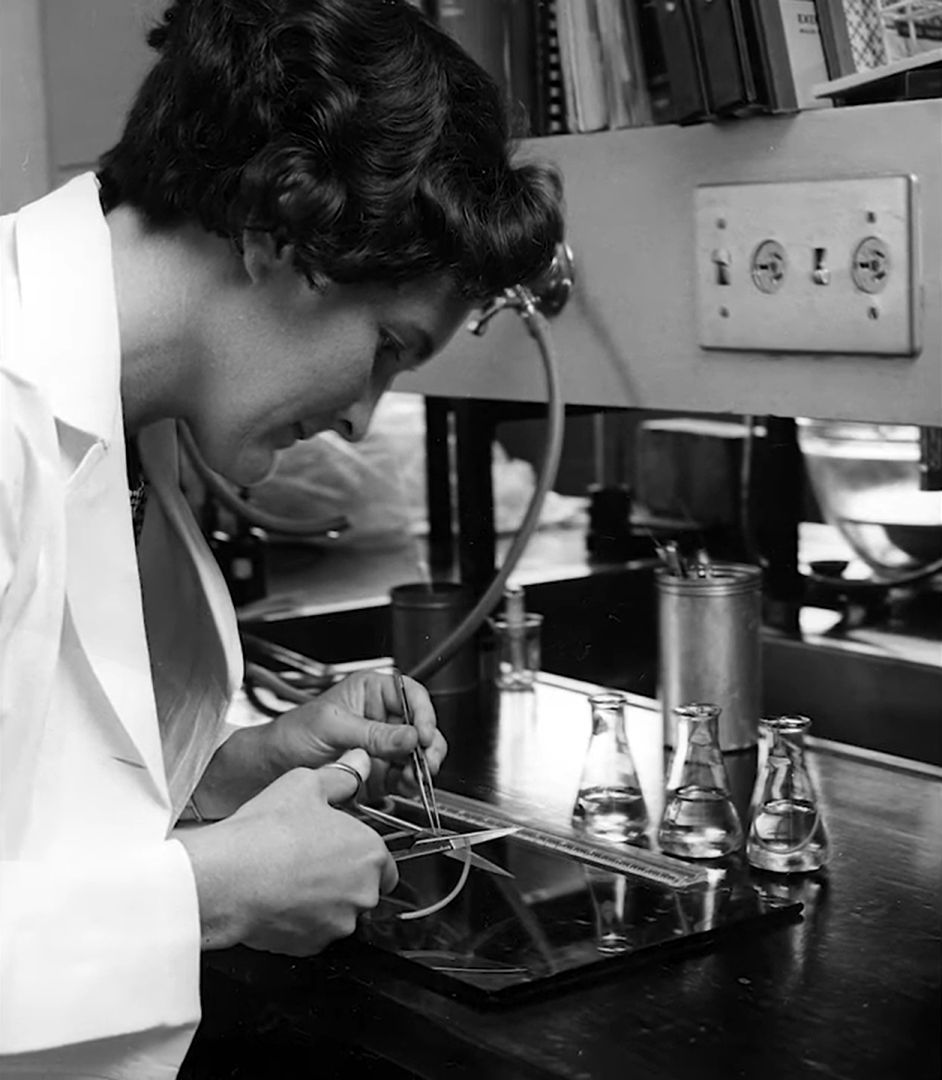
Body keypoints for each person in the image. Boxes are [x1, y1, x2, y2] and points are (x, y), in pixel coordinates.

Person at [0, 1, 564, 1076]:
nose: (361, 418)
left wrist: (228, 782)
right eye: (387, 346)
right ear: (278, 232)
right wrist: (209, 894)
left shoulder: (129, 422)